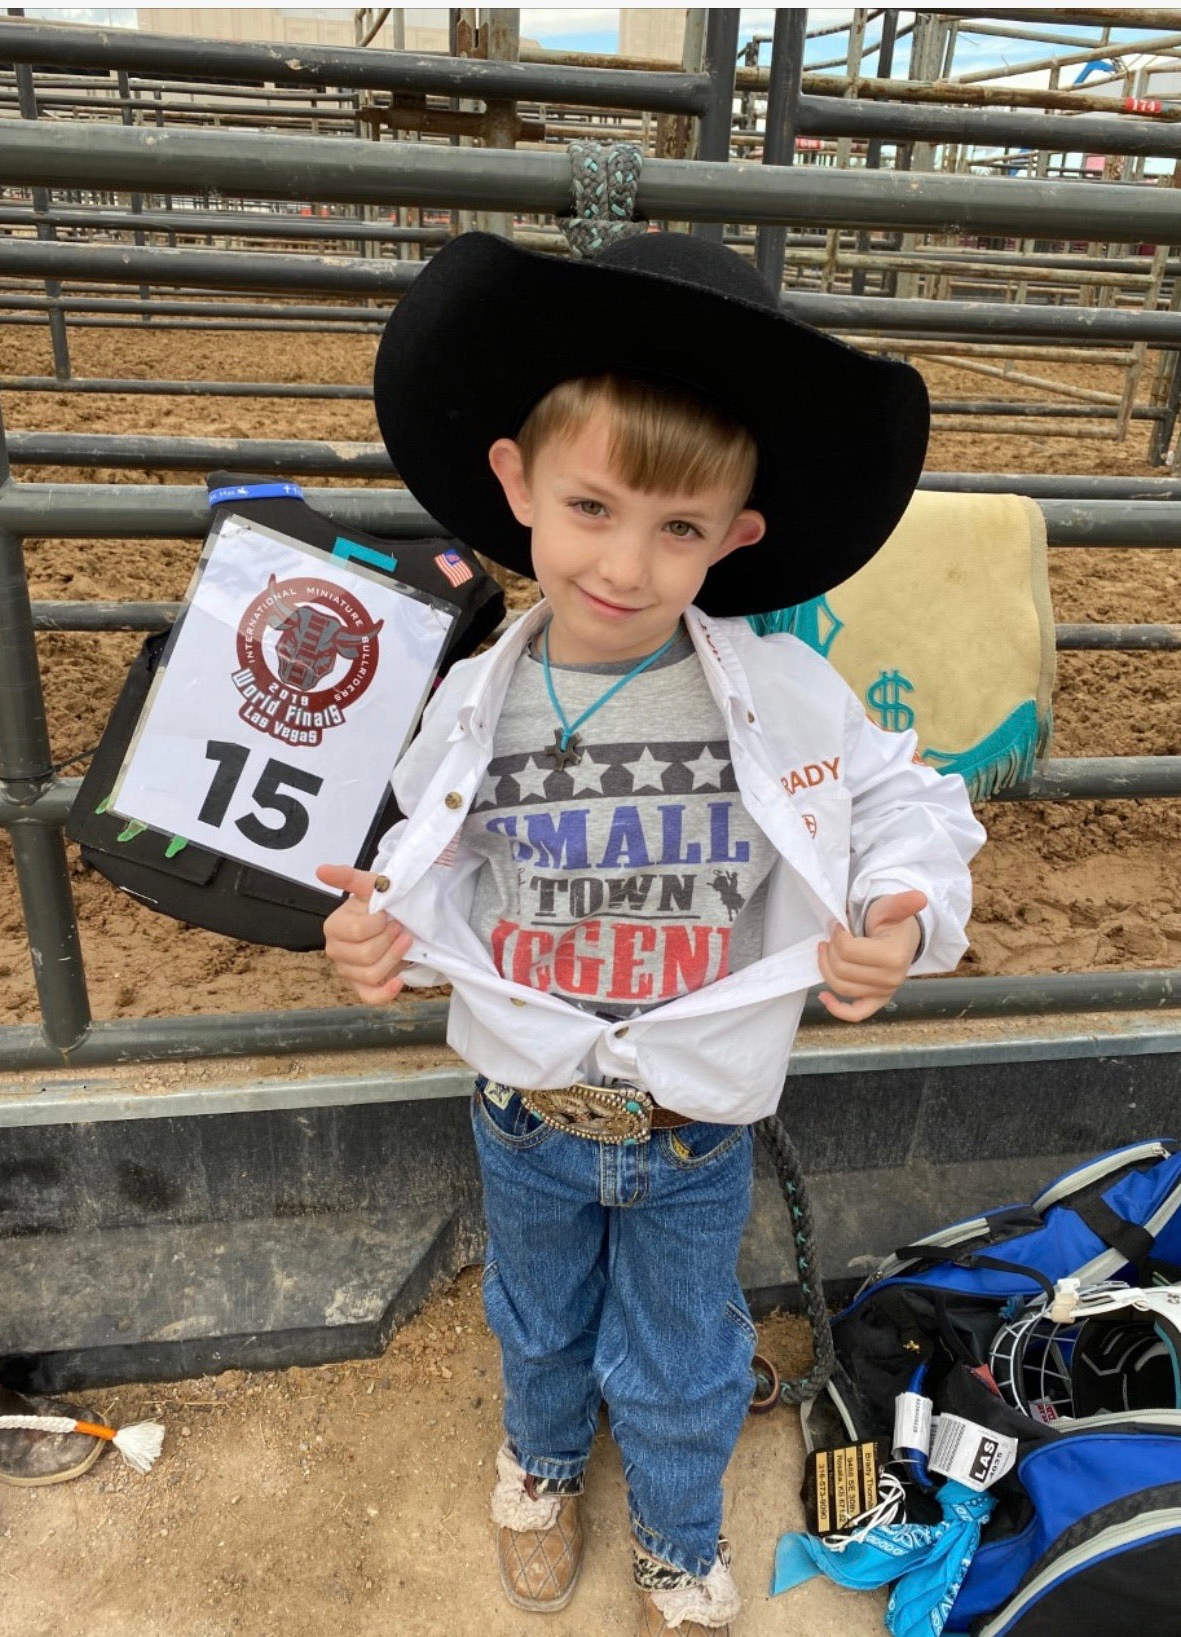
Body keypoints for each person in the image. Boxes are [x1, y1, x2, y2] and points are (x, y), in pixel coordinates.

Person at [317, 230, 985, 1636]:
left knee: (687, 1346)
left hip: (693, 1129)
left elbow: (910, 797)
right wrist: (377, 935)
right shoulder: (463, 707)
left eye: (678, 528)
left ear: (738, 532)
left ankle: (678, 1536)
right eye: (593, 506)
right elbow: (413, 867)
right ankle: (542, 1463)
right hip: (526, 1108)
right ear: (516, 483)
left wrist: (902, 911)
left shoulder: (788, 692)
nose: (624, 564)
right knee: (539, 1313)